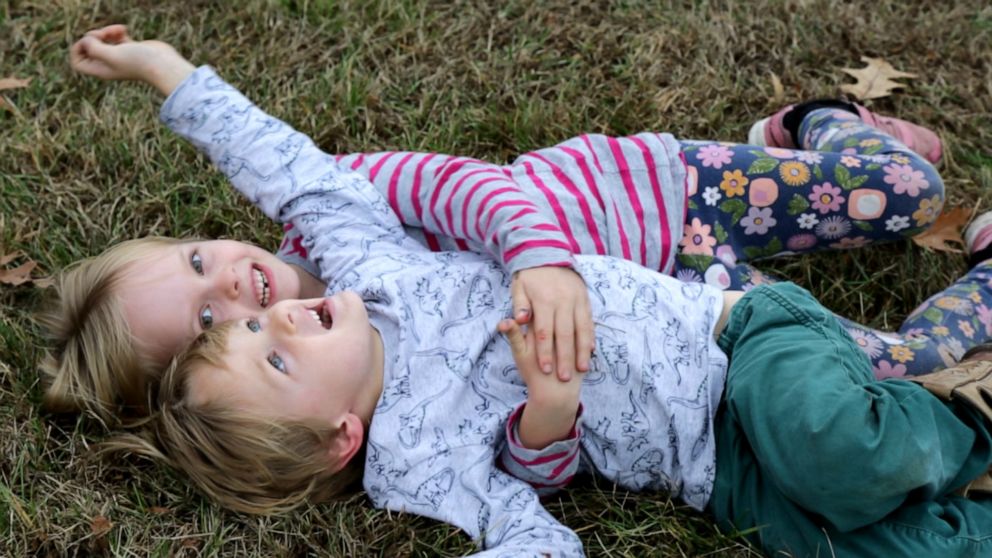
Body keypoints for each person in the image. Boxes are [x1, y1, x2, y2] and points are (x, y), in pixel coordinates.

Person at [80, 31, 992, 556]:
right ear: (334, 440)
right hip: (715, 459)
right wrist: (548, 418)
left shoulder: (367, 263)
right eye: (252, 345)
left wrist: (170, 73)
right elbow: (531, 517)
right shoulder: (413, 467)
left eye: (210, 281)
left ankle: (816, 134)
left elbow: (292, 171)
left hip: (704, 298)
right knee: (876, 538)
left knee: (854, 433)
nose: (259, 306)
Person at [44, 25, 962, 426]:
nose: (231, 284)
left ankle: (806, 125)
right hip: (686, 306)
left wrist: (539, 260)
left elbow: (469, 189)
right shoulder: (357, 378)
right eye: (207, 321)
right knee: (898, 373)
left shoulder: (337, 202)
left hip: (654, 193)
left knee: (910, 189)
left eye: (198, 258)